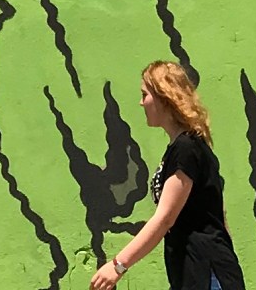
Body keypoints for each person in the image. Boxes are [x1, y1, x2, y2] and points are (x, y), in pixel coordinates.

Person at [90, 60, 245, 290]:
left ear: (164, 97)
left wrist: (117, 266)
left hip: (207, 273)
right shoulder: (182, 148)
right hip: (193, 274)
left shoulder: (186, 148)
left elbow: (164, 219)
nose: (141, 103)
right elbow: (219, 216)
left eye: (145, 95)